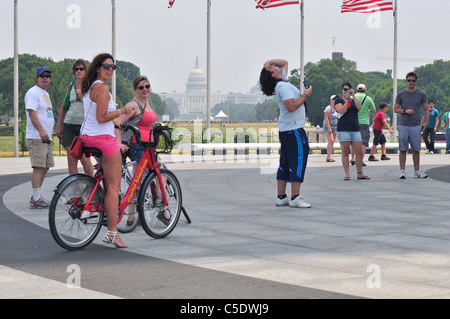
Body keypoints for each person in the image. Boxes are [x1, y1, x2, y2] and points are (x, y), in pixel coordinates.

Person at [80, 53, 134, 248]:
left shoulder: (89, 86)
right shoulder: (102, 88)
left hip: (87, 137)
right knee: (113, 187)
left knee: (105, 179)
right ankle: (112, 232)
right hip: (103, 140)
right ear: (97, 68)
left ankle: (99, 202)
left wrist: (116, 123)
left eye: (113, 67)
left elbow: (97, 117)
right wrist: (124, 111)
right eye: (106, 66)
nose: (110, 70)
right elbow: (102, 117)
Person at [260, 59, 312, 208]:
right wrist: (306, 95)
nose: (277, 66)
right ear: (274, 74)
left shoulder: (282, 83)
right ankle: (295, 197)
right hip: (293, 129)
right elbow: (291, 106)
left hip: (287, 129)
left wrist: (269, 62)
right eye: (274, 67)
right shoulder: (283, 86)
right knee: (298, 160)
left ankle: (281, 196)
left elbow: (284, 62)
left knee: (286, 162)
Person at [115, 75, 159, 224]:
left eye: (147, 86)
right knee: (145, 179)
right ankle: (160, 209)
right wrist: (119, 143)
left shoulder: (146, 102)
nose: (145, 89)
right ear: (135, 90)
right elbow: (117, 122)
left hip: (148, 145)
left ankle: (133, 216)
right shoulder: (134, 105)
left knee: (140, 179)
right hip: (138, 146)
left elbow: (148, 123)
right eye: (141, 87)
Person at [56, 59, 94, 176]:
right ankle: (74, 189)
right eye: (76, 69)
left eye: (81, 68)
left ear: (86, 70)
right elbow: (64, 106)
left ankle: (91, 186)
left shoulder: (91, 86)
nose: (79, 71)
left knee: (85, 159)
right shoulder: (71, 85)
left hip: (84, 126)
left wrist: (85, 96)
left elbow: (96, 105)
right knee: (71, 159)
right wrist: (58, 125)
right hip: (69, 124)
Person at [25, 66, 55, 209]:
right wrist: (41, 130)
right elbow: (32, 113)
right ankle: (36, 198)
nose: (45, 78)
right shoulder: (33, 92)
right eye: (42, 76)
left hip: (46, 137)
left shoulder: (45, 94)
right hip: (37, 136)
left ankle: (36, 195)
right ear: (37, 78)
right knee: (38, 167)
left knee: (46, 166)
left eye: (47, 76)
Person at [393, 71, 429, 179]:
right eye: (409, 80)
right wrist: (404, 111)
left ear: (416, 81)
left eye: (413, 80)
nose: (411, 82)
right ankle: (402, 171)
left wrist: (427, 122)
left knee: (416, 149)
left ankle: (417, 171)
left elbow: (426, 108)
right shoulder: (401, 94)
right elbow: (395, 109)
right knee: (403, 149)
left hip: (416, 125)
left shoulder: (421, 94)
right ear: (406, 81)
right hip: (404, 125)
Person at [334, 82, 370, 181]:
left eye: (348, 89)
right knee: (345, 152)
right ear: (342, 90)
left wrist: (353, 96)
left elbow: (359, 107)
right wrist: (346, 100)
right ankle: (347, 174)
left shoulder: (354, 100)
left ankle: (360, 173)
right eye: (345, 89)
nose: (347, 91)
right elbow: (341, 110)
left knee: (359, 152)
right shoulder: (338, 100)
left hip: (355, 129)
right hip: (344, 130)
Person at [351, 84, 376, 166]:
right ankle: (360, 160)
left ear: (357, 90)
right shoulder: (368, 99)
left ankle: (353, 159)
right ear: (365, 90)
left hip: (354, 122)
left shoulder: (352, 98)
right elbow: (373, 111)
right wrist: (367, 110)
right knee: (363, 142)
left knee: (353, 141)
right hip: (364, 123)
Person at [323, 95, 340, 162]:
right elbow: (326, 118)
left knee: (332, 142)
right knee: (331, 140)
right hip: (328, 126)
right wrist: (329, 128)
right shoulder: (328, 108)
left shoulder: (337, 108)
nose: (335, 100)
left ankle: (329, 155)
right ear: (331, 100)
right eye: (334, 99)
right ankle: (328, 157)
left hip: (335, 126)